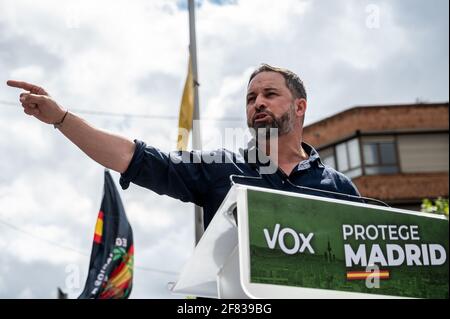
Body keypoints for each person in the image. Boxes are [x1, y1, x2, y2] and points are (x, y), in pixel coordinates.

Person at [7, 64, 361, 229]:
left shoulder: (340, 188)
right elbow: (133, 157)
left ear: (299, 107)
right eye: (251, 97)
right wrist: (62, 118)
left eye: (270, 94)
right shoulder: (222, 169)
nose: (258, 104)